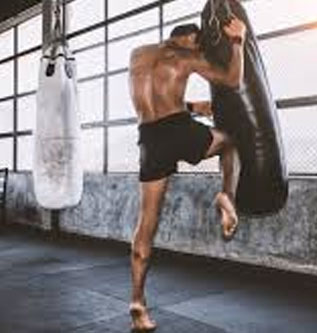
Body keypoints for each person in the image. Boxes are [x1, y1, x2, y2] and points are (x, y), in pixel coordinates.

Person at [128, 17, 247, 331]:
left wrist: (193, 107)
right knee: (230, 143)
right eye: (199, 43)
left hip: (150, 138)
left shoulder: (138, 53)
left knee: (146, 224)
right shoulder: (188, 56)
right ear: (190, 39)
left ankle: (138, 305)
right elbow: (233, 80)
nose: (200, 48)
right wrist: (238, 42)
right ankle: (226, 194)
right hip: (179, 131)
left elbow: (155, 96)